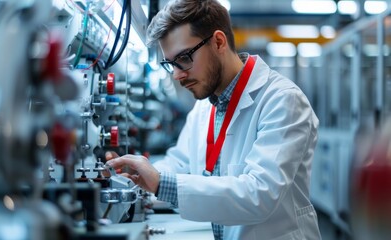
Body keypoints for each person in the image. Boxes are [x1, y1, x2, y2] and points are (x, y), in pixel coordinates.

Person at [106, 0, 322, 239]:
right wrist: (138, 173)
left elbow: (260, 195)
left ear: (219, 42)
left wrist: (159, 183)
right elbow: (180, 164)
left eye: (184, 58)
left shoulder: (282, 100)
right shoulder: (204, 108)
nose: (177, 75)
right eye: (170, 64)